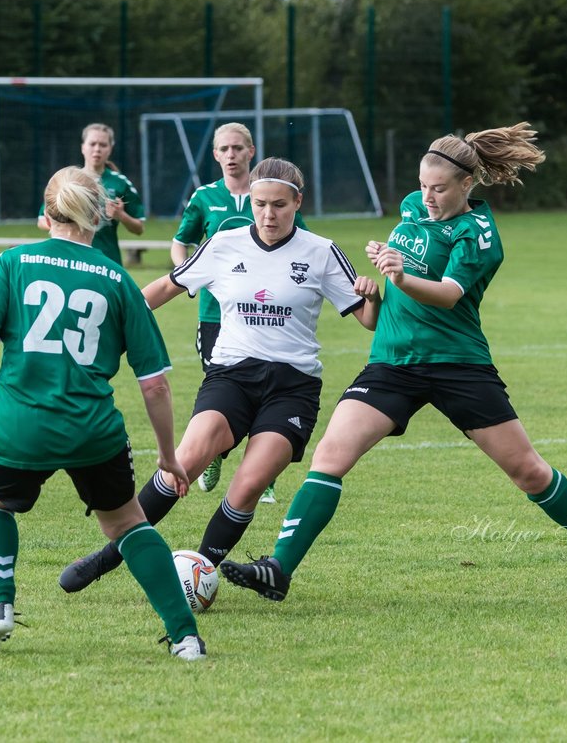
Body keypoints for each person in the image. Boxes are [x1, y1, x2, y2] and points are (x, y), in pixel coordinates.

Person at [220, 123, 567, 605]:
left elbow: (448, 295)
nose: (427, 197)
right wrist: (376, 282)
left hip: (457, 365)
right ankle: (279, 569)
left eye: (439, 188)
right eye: (423, 185)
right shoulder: (411, 207)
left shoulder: (478, 234)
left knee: (529, 472)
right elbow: (400, 268)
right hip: (392, 363)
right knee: (329, 458)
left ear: (466, 185)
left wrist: (400, 276)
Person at [58, 158, 380, 595]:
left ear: (297, 203)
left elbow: (367, 320)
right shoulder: (224, 244)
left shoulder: (320, 252)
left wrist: (372, 295)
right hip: (231, 376)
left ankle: (200, 572)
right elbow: (165, 287)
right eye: (261, 204)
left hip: (293, 387)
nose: (268, 215)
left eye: (280, 206)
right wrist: (111, 316)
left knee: (247, 485)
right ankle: (106, 557)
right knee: (183, 464)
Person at [0, 166, 206, 659]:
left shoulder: (12, 262)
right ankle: (185, 636)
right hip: (92, 430)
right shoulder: (119, 280)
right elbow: (156, 385)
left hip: (19, 425)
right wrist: (168, 457)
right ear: (99, 215)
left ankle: (0, 607)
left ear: (46, 212)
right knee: (127, 524)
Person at [170, 122, 309, 504]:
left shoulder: (273, 193)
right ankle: (216, 453)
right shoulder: (204, 197)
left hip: (269, 314)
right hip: (217, 316)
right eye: (224, 149)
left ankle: (265, 475)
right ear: (215, 155)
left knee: (269, 391)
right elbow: (180, 243)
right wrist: (190, 276)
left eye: (237, 148)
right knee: (225, 388)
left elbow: (302, 243)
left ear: (251, 151)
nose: (231, 155)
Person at [36, 123, 144, 266]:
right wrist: (72, 225)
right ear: (83, 147)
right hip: (70, 258)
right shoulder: (68, 180)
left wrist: (121, 215)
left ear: (110, 149)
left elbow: (139, 228)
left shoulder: (120, 183)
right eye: (92, 144)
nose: (97, 149)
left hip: (107, 261)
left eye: (103, 145)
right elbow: (42, 220)